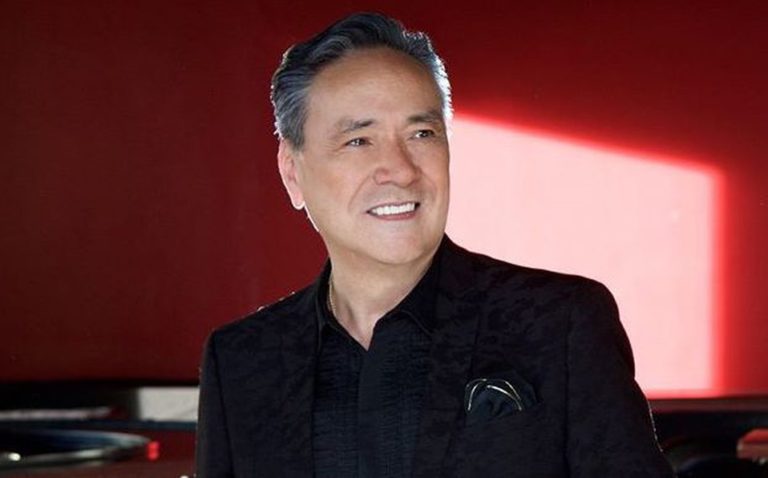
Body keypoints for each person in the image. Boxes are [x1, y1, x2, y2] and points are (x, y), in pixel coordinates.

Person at [195, 12, 674, 478]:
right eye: (359, 141)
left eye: (422, 134)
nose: (402, 170)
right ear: (292, 172)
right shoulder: (241, 361)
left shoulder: (560, 323)